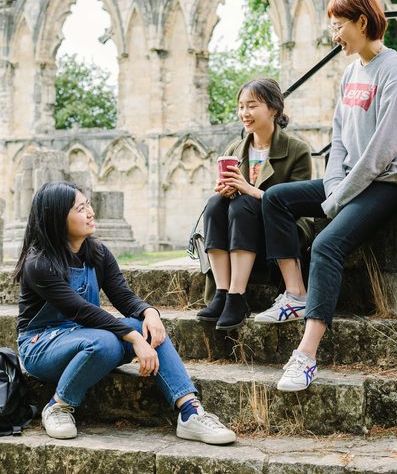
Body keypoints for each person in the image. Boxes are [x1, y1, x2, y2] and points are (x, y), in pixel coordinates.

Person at [258, 0, 397, 391]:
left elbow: (384, 149)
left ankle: (306, 357)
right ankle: (295, 294)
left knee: (327, 245)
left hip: (383, 184)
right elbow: (340, 134)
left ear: (362, 22)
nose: (334, 35)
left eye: (338, 25)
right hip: (347, 182)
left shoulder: (394, 69)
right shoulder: (351, 71)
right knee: (276, 198)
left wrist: (339, 198)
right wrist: (333, 184)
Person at [14, 182, 236, 444]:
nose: (90, 212)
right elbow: (81, 311)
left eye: (88, 205)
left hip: (87, 338)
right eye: (81, 208)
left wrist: (149, 313)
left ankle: (190, 411)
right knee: (106, 340)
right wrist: (134, 339)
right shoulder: (38, 263)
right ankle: (58, 405)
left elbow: (124, 297)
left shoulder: (97, 253)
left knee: (145, 330)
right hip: (42, 345)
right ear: (57, 217)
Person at [197, 78, 314, 330]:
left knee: (244, 205)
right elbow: (230, 197)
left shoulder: (297, 150)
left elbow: (299, 206)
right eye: (240, 107)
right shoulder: (235, 148)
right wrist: (226, 190)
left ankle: (237, 296)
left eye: (251, 106)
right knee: (215, 203)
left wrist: (249, 190)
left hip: (281, 233)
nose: (244, 113)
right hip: (241, 232)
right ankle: (222, 293)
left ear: (273, 109)